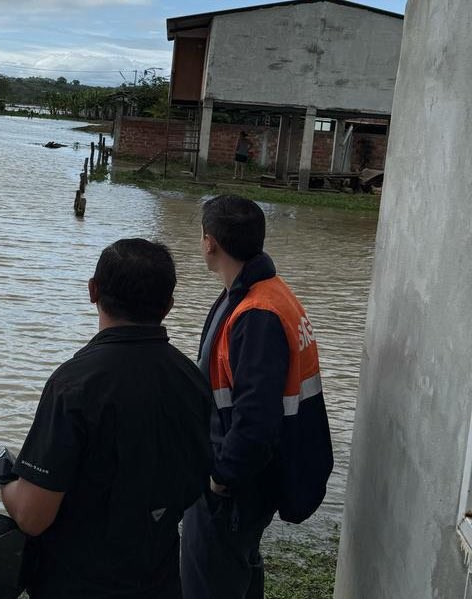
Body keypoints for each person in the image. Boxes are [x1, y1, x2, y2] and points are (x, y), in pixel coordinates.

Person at [0, 238, 212, 598]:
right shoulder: (192, 381)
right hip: (160, 582)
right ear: (169, 305)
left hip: (77, 584)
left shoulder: (74, 386)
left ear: (92, 290)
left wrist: (4, 477)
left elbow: (33, 516)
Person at [181, 195, 332, 599]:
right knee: (242, 573)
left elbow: (256, 419)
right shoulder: (268, 293)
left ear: (209, 242)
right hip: (251, 480)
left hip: (234, 488)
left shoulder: (257, 314)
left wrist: (218, 480)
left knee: (209, 583)